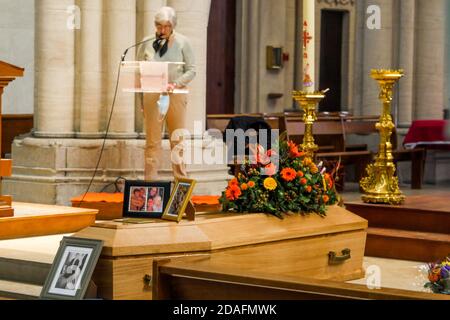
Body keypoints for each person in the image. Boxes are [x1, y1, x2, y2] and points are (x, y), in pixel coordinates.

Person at [137, 6, 196, 181]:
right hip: (152, 96)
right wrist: (142, 100)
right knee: (152, 142)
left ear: (173, 26)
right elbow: (139, 71)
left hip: (175, 95)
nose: (162, 30)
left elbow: (192, 70)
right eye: (159, 26)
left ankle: (181, 183)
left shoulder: (183, 42)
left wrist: (176, 83)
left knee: (177, 141)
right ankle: (150, 184)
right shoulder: (146, 42)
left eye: (166, 26)